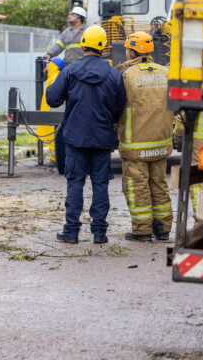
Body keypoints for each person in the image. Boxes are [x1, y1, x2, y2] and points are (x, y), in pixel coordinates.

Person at [47, 25, 125, 244]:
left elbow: (53, 99)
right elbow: (120, 106)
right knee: (100, 183)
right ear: (104, 47)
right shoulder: (113, 73)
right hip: (102, 138)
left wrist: (55, 75)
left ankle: (71, 232)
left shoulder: (70, 71)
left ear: (82, 46)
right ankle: (99, 232)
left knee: (75, 183)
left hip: (75, 137)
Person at [117, 32, 174, 242]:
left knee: (137, 186)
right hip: (161, 142)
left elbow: (117, 106)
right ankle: (163, 229)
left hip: (136, 144)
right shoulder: (166, 72)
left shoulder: (126, 75)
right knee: (159, 184)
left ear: (132, 50)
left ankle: (142, 230)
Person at [36, 57, 64, 171]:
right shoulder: (53, 77)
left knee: (54, 135)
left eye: (49, 64)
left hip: (53, 111)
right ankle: (54, 157)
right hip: (51, 110)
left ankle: (55, 158)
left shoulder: (56, 77)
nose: (46, 66)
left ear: (54, 65)